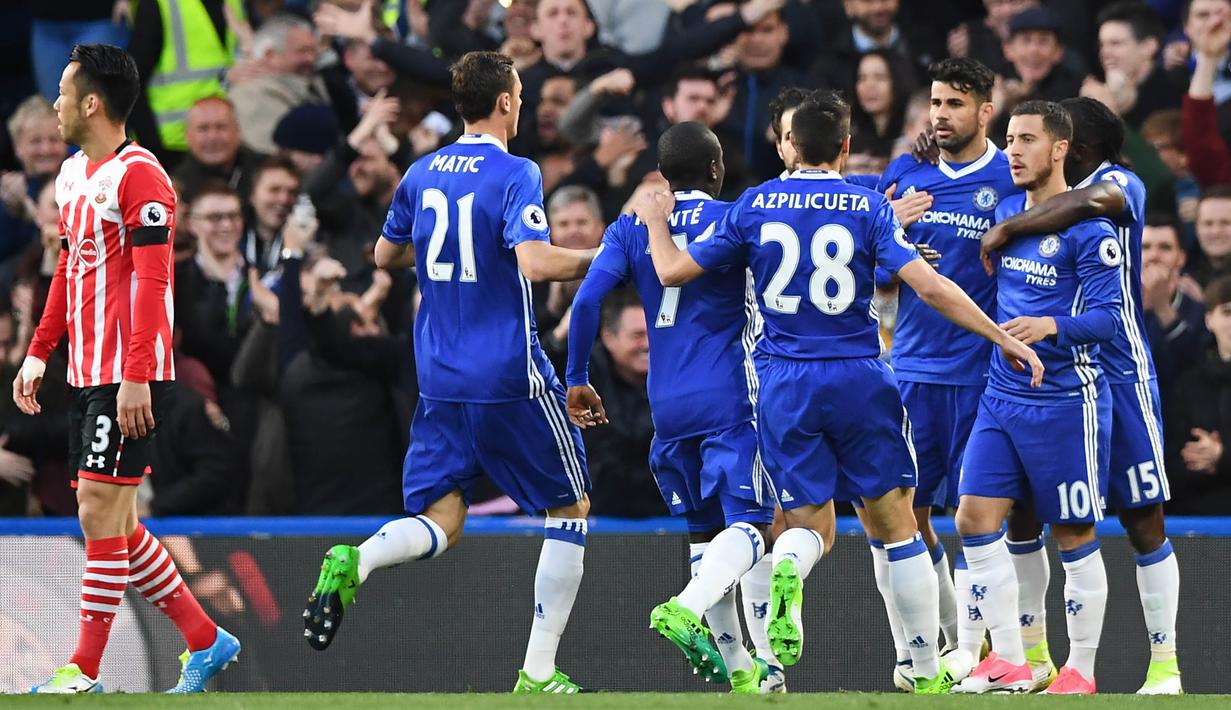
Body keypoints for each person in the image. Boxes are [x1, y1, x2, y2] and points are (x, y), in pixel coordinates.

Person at [636, 90, 1043, 694]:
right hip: (858, 376)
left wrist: (653, 223)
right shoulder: (868, 207)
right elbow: (931, 288)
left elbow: (672, 270)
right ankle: (923, 670)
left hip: (782, 385)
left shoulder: (754, 204)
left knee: (808, 526)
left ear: (789, 145)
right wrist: (1001, 337)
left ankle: (789, 566)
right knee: (897, 525)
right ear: (846, 148)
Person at [302, 51, 597, 694]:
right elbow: (537, 264)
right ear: (506, 102)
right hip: (508, 374)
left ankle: (360, 558)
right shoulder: (517, 171)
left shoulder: (422, 171)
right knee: (570, 506)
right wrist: (608, 258)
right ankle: (538, 672)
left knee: (442, 517)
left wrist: (447, 259)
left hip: (439, 376)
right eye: (519, 94)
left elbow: (383, 256)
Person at [15, 43, 238, 694]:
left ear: (92, 103)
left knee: (98, 512)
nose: (56, 106)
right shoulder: (71, 175)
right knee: (114, 518)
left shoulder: (141, 175)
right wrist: (39, 351)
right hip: (87, 371)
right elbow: (68, 270)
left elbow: (152, 280)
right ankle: (206, 639)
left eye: (63, 94)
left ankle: (83, 669)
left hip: (128, 372)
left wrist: (136, 375)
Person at [980, 97, 1184, 695]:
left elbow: (1090, 202)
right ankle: (1035, 657)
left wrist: (1007, 228)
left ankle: (1165, 665)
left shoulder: (1118, 184)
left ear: (1077, 147)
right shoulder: (1030, 193)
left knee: (1142, 518)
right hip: (1056, 382)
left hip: (1120, 374)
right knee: (1023, 513)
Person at [565, 122, 778, 693]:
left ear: (662, 175)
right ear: (716, 169)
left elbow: (586, 302)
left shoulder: (631, 226)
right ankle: (685, 606)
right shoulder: (736, 218)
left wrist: (577, 378)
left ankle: (742, 673)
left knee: (705, 537)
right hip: (730, 395)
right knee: (755, 526)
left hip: (667, 404)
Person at [954, 100, 1122, 696]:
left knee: (1072, 534)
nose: (1014, 151)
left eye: (1027, 139)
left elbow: (1110, 319)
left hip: (1066, 402)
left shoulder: (1091, 231)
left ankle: (1082, 669)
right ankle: (1009, 658)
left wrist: (1052, 326)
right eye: (1009, 139)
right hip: (1002, 397)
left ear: (1059, 149)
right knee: (973, 518)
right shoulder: (1006, 214)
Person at [869, 57, 1021, 688]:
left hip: (984, 375)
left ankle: (999, 649)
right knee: (909, 515)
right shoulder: (905, 174)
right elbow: (876, 278)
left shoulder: (1009, 178)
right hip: (913, 369)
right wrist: (891, 233)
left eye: (954, 104)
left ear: (986, 110)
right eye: (935, 102)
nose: (940, 114)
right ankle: (959, 639)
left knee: (979, 518)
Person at [1166, 275, 1231, 514]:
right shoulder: (1189, 384)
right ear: (1209, 319)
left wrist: (1222, 456)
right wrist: (1202, 459)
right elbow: (1174, 457)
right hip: (1198, 512)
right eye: (1227, 312)